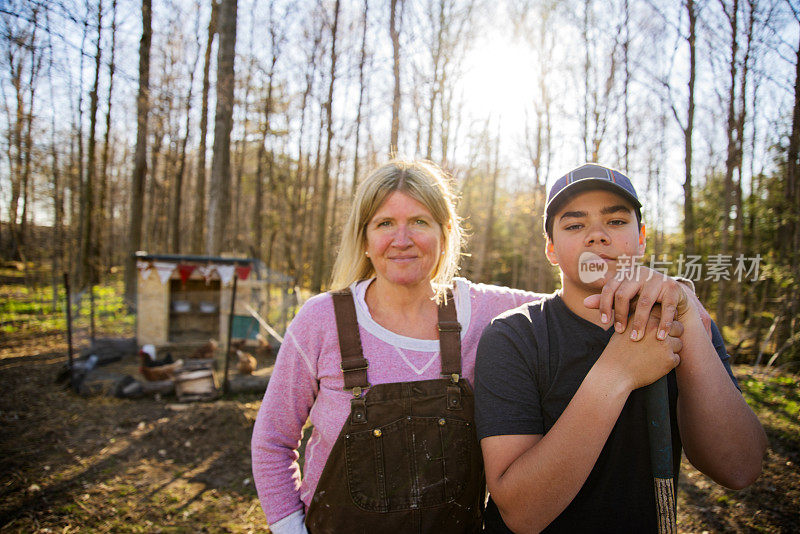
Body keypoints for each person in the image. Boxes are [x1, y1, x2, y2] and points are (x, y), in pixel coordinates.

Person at [251, 159, 701, 534]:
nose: (402, 239)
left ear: (444, 233)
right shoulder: (322, 320)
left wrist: (669, 291)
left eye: (419, 222)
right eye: (385, 223)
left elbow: (573, 301)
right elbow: (272, 442)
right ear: (365, 238)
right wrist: (290, 530)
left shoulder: (485, 312)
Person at [474, 163, 768, 533]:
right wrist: (617, 372)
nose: (597, 236)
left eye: (615, 222)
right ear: (551, 249)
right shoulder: (516, 335)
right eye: (574, 225)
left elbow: (740, 467)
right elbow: (521, 514)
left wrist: (688, 319)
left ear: (641, 238)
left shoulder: (682, 321)